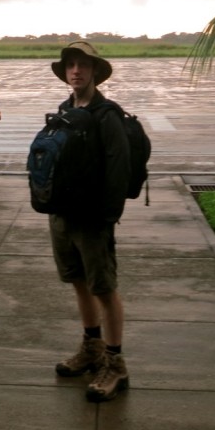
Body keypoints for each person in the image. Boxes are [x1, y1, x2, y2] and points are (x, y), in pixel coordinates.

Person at [46, 40, 131, 402]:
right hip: (62, 214)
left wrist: (106, 216)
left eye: (82, 65)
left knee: (103, 287)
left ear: (94, 71)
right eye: (71, 66)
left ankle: (115, 362)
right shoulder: (64, 109)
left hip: (93, 219)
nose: (76, 71)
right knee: (78, 281)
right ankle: (91, 347)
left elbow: (119, 169)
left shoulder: (107, 115)